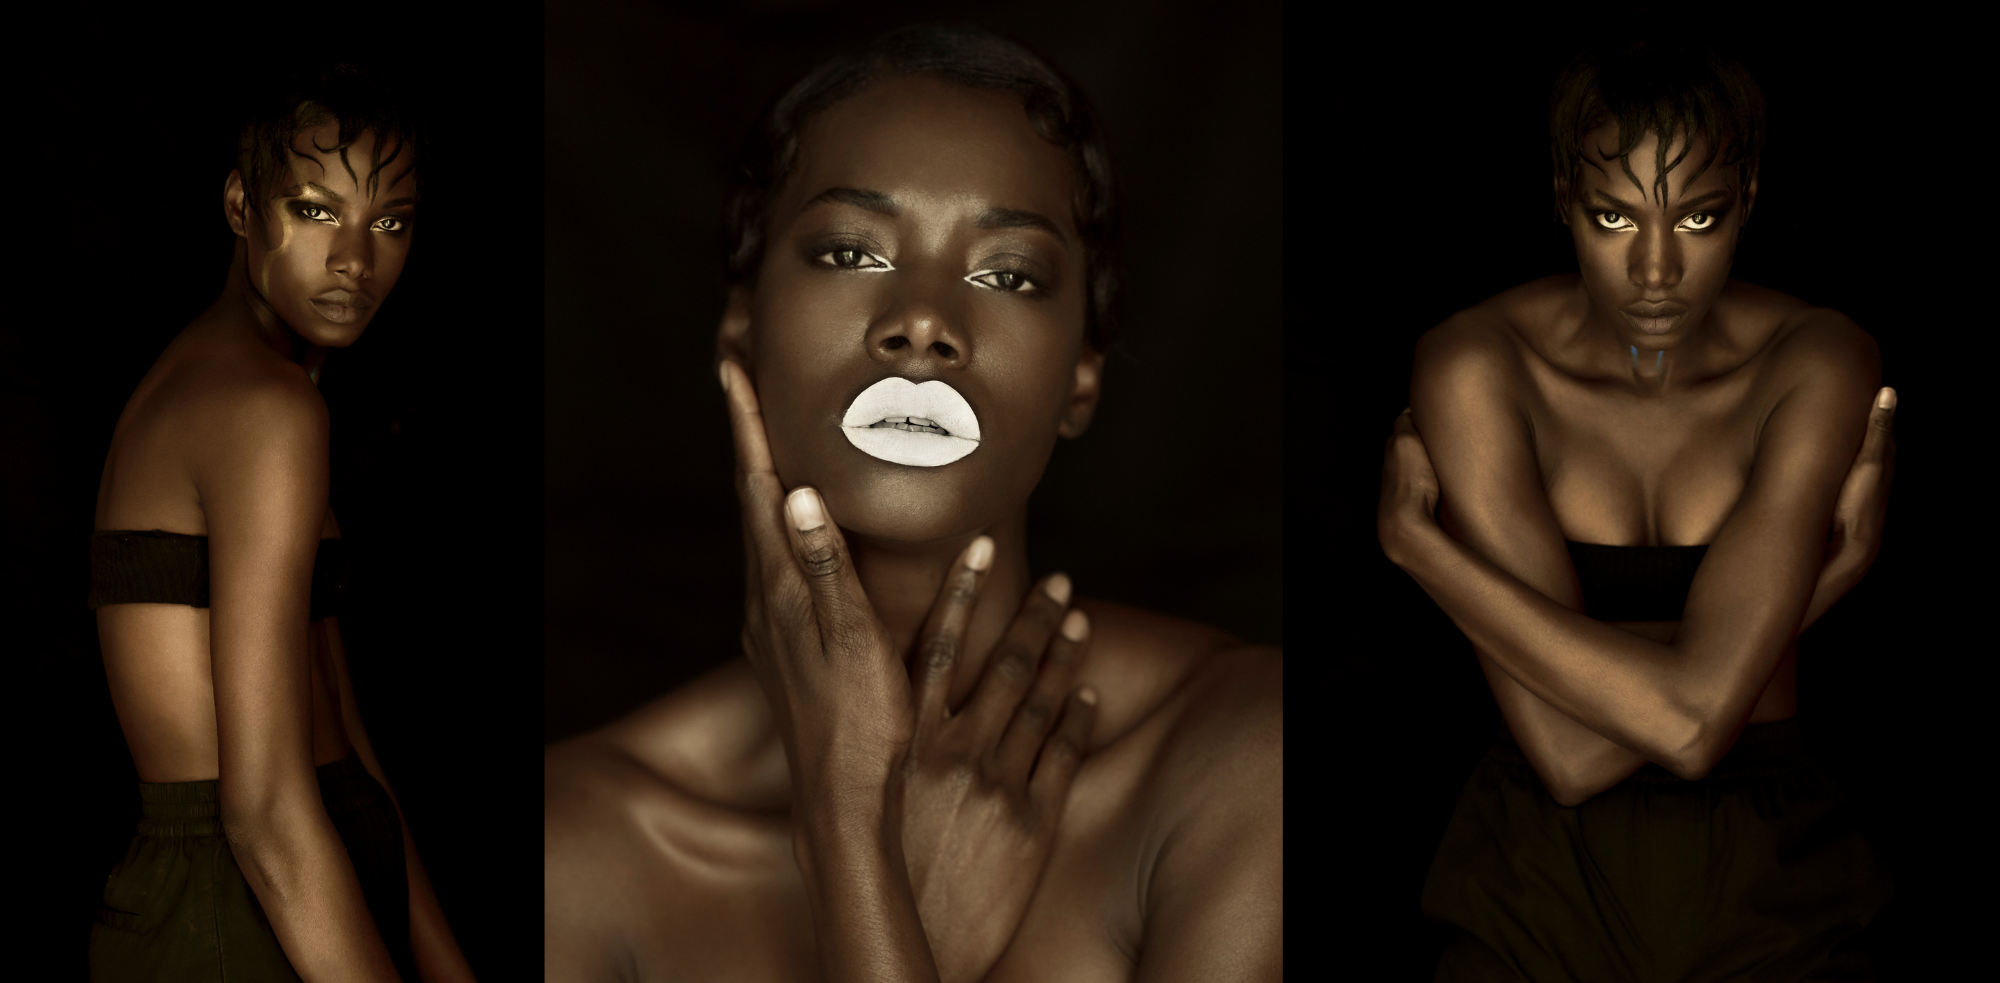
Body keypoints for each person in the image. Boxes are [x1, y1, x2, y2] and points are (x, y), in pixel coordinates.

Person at [544, 25, 1282, 982]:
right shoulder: (577, 848)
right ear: (741, 330)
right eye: (851, 254)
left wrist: (852, 848)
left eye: (1008, 273)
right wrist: (857, 838)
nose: (925, 321)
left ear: (1081, 382)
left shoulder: (1239, 752)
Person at [1376, 39, 1896, 981]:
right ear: (1564, 201)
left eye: (1696, 217)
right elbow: (1571, 754)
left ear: (1747, 202)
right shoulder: (1476, 364)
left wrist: (1422, 551)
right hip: (1531, 887)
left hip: (1770, 884)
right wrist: (1805, 598)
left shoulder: (1817, 358)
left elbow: (1695, 733)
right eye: (1615, 216)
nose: (1656, 269)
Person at [87, 64, 474, 982]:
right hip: (249, 902)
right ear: (240, 205)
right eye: (313, 210)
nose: (354, 258)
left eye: (389, 222)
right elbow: (261, 810)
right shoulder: (266, 410)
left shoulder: (254, 389)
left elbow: (340, 729)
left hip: (312, 873)